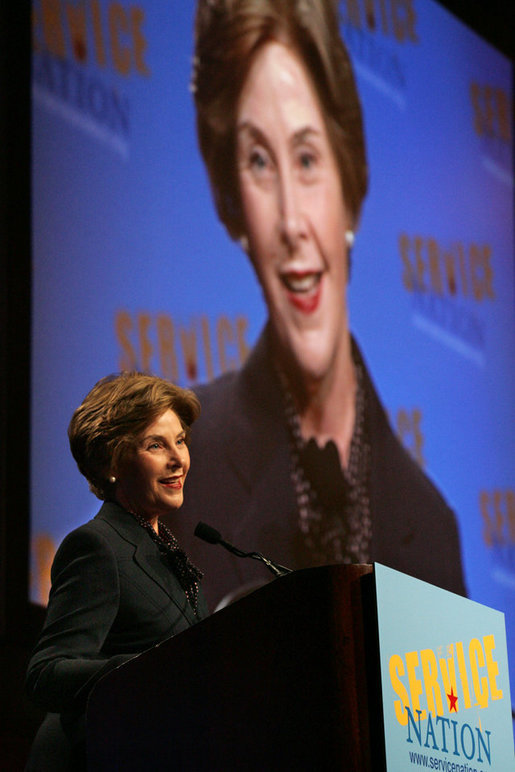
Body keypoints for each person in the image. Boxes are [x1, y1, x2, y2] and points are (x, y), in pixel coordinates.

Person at [174, 0, 467, 609]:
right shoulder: (178, 466)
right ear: (235, 208)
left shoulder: (433, 526)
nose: (289, 221)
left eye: (307, 159)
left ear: (349, 186)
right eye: (259, 162)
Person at [25, 372, 208, 770]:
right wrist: (147, 671)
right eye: (156, 445)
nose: (178, 459)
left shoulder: (166, 551)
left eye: (180, 441)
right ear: (113, 462)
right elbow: (46, 673)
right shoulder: (97, 546)